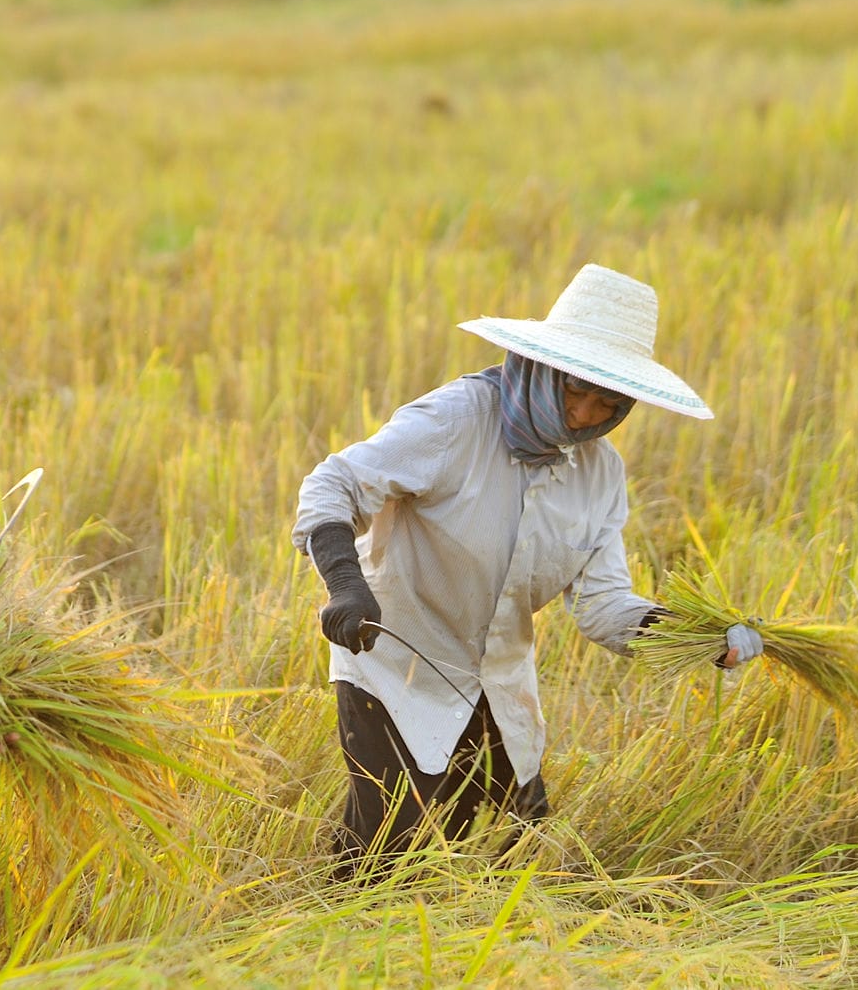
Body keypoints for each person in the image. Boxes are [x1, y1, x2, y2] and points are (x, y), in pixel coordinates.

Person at [292, 263, 764, 870]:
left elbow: (604, 608)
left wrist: (701, 639)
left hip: (498, 680)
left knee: (508, 854)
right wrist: (345, 586)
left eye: (609, 403)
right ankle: (344, 941)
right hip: (393, 662)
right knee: (386, 846)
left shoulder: (600, 474)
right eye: (574, 389)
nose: (586, 415)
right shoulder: (457, 419)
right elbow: (335, 483)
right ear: (544, 365)